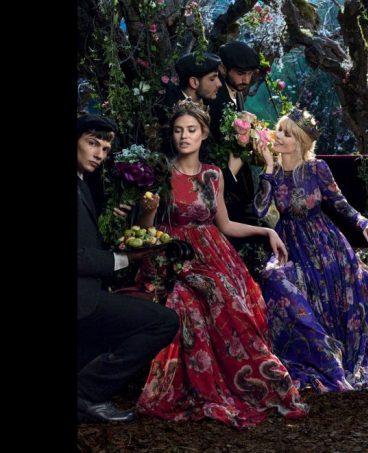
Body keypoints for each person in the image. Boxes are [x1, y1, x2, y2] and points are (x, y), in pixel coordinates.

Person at [129, 100, 308, 428]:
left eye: (191, 130)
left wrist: (266, 230)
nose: (184, 136)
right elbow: (147, 230)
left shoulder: (213, 175)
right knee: (190, 300)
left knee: (231, 298)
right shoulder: (161, 173)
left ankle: (250, 381)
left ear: (203, 134)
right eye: (178, 130)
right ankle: (200, 385)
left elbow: (224, 225)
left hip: (214, 253)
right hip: (174, 253)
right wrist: (147, 208)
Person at [253, 107, 368, 393]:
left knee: (349, 276)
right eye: (279, 130)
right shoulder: (272, 172)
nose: (278, 136)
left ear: (300, 141)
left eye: (287, 133)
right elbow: (260, 210)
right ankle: (318, 350)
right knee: (273, 277)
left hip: (325, 243)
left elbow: (340, 203)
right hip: (290, 244)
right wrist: (269, 169)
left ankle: (336, 354)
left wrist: (364, 222)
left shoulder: (317, 168)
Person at [77, 114, 180, 422]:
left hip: (91, 292)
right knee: (164, 322)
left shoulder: (83, 182)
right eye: (92, 143)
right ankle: (86, 393)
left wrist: (122, 223)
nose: (99, 154)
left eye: (105, 149)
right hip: (83, 300)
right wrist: (125, 259)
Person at [205, 40, 269, 279]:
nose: (246, 79)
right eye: (240, 73)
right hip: (223, 188)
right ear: (223, 68)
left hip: (239, 184)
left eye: (250, 74)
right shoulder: (215, 100)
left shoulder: (236, 95)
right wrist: (241, 155)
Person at [157, 52, 222, 158]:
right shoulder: (170, 109)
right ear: (194, 82)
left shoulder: (212, 105)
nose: (219, 84)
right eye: (212, 79)